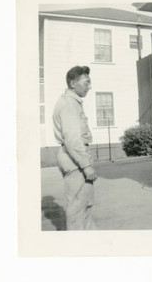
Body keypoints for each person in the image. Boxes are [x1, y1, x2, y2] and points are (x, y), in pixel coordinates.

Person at [53, 66, 97, 230]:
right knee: (78, 207)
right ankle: (78, 248)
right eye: (86, 82)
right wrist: (86, 165)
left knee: (84, 204)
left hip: (73, 155)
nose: (89, 86)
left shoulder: (70, 102)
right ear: (73, 83)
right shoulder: (69, 104)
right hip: (74, 157)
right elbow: (72, 139)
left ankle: (87, 245)